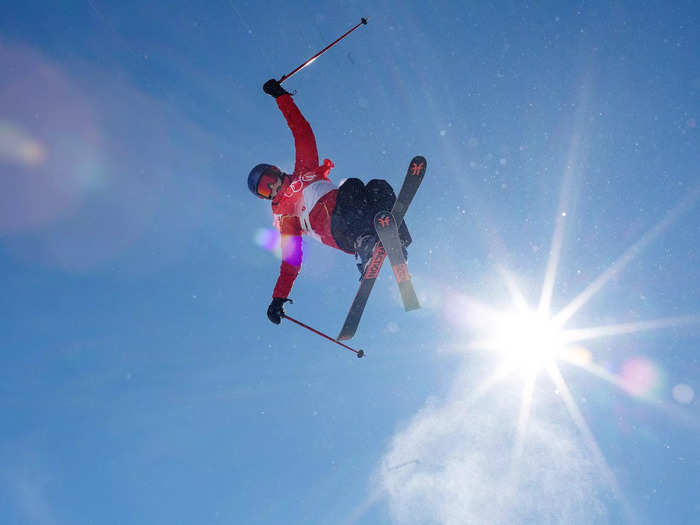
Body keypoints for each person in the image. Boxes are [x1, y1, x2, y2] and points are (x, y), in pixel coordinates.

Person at [249, 79, 410, 324]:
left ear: (276, 171)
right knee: (352, 185)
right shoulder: (286, 217)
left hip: (360, 212)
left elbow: (302, 132)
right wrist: (278, 298)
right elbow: (291, 259)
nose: (272, 186)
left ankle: (394, 235)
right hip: (342, 232)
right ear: (265, 197)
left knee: (376, 186)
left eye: (270, 179)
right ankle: (365, 244)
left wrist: (281, 97)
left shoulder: (305, 169)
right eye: (265, 189)